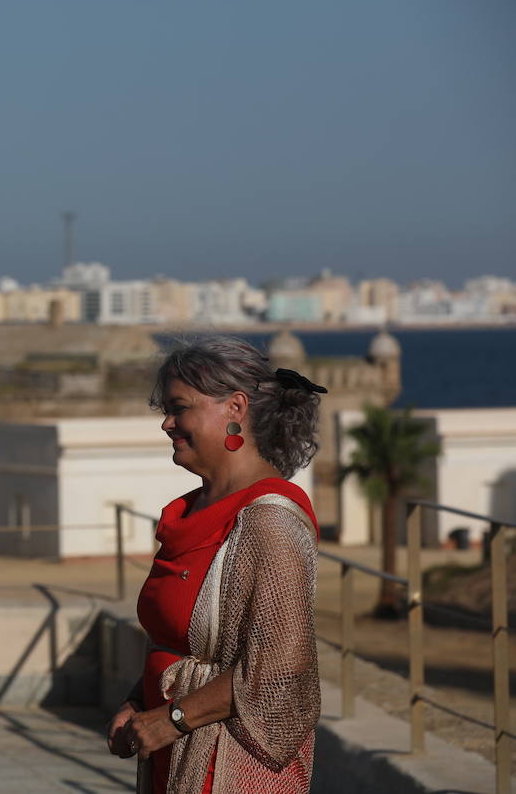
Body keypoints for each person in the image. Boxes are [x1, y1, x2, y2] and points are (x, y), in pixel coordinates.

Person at [105, 336, 324, 794]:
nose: (167, 423)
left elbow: (281, 668)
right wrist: (138, 700)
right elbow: (181, 640)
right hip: (176, 748)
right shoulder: (193, 512)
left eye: (179, 407)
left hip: (226, 766)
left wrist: (173, 718)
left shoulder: (267, 520)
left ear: (235, 408)